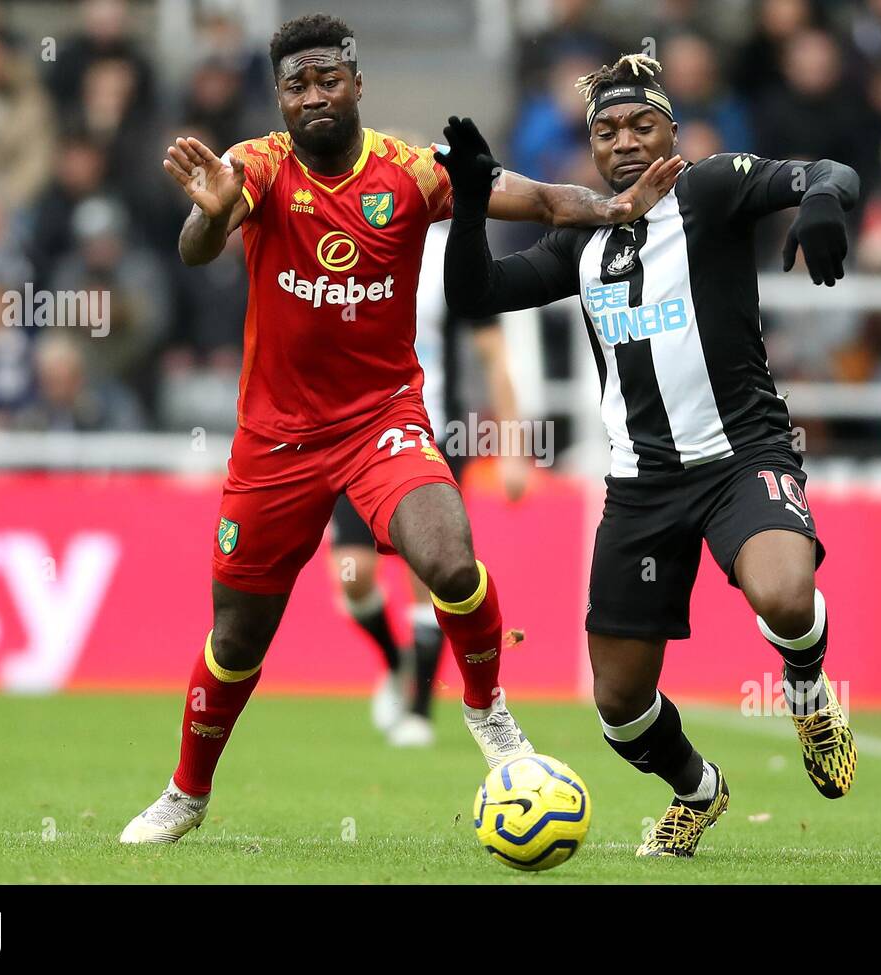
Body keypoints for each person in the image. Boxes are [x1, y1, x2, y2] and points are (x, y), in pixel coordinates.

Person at [120, 15, 679, 844]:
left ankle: (489, 715)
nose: (312, 96)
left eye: (326, 80)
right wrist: (208, 216)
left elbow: (539, 198)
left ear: (355, 81)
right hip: (274, 440)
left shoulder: (410, 175)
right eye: (294, 85)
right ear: (280, 96)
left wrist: (613, 205)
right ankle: (188, 791)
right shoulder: (257, 167)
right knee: (236, 635)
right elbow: (200, 244)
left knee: (452, 559)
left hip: (383, 420)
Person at [442, 53, 859, 858]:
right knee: (621, 708)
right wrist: (466, 207)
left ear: (673, 129)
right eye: (607, 130)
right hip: (641, 484)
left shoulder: (710, 189)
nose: (625, 141)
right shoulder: (581, 234)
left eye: (642, 124)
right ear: (591, 147)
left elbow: (827, 170)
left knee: (782, 592)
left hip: (743, 455)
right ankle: (698, 790)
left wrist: (822, 205)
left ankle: (807, 690)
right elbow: (474, 295)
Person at [331, 219, 530, 749]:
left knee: (429, 569)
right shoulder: (340, 252)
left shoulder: (448, 257)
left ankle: (418, 707)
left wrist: (512, 449)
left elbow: (493, 354)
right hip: (350, 436)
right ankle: (398, 665)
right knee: (352, 576)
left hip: (429, 431)